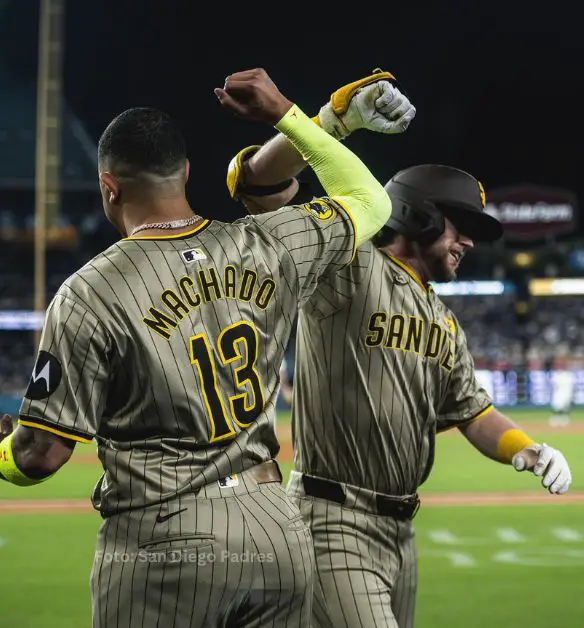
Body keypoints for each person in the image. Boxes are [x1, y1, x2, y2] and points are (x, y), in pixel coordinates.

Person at [0, 68, 392, 627]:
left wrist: (4, 455)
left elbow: (41, 455)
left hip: (165, 539)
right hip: (274, 528)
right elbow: (370, 201)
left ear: (108, 187)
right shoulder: (267, 244)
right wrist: (290, 113)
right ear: (184, 172)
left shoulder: (89, 292)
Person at [228, 71, 572, 627]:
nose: (466, 244)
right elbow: (257, 186)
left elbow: (473, 410)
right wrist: (323, 120)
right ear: (420, 215)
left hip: (400, 530)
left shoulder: (444, 319)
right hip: (331, 517)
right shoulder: (350, 265)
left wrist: (525, 451)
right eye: (462, 229)